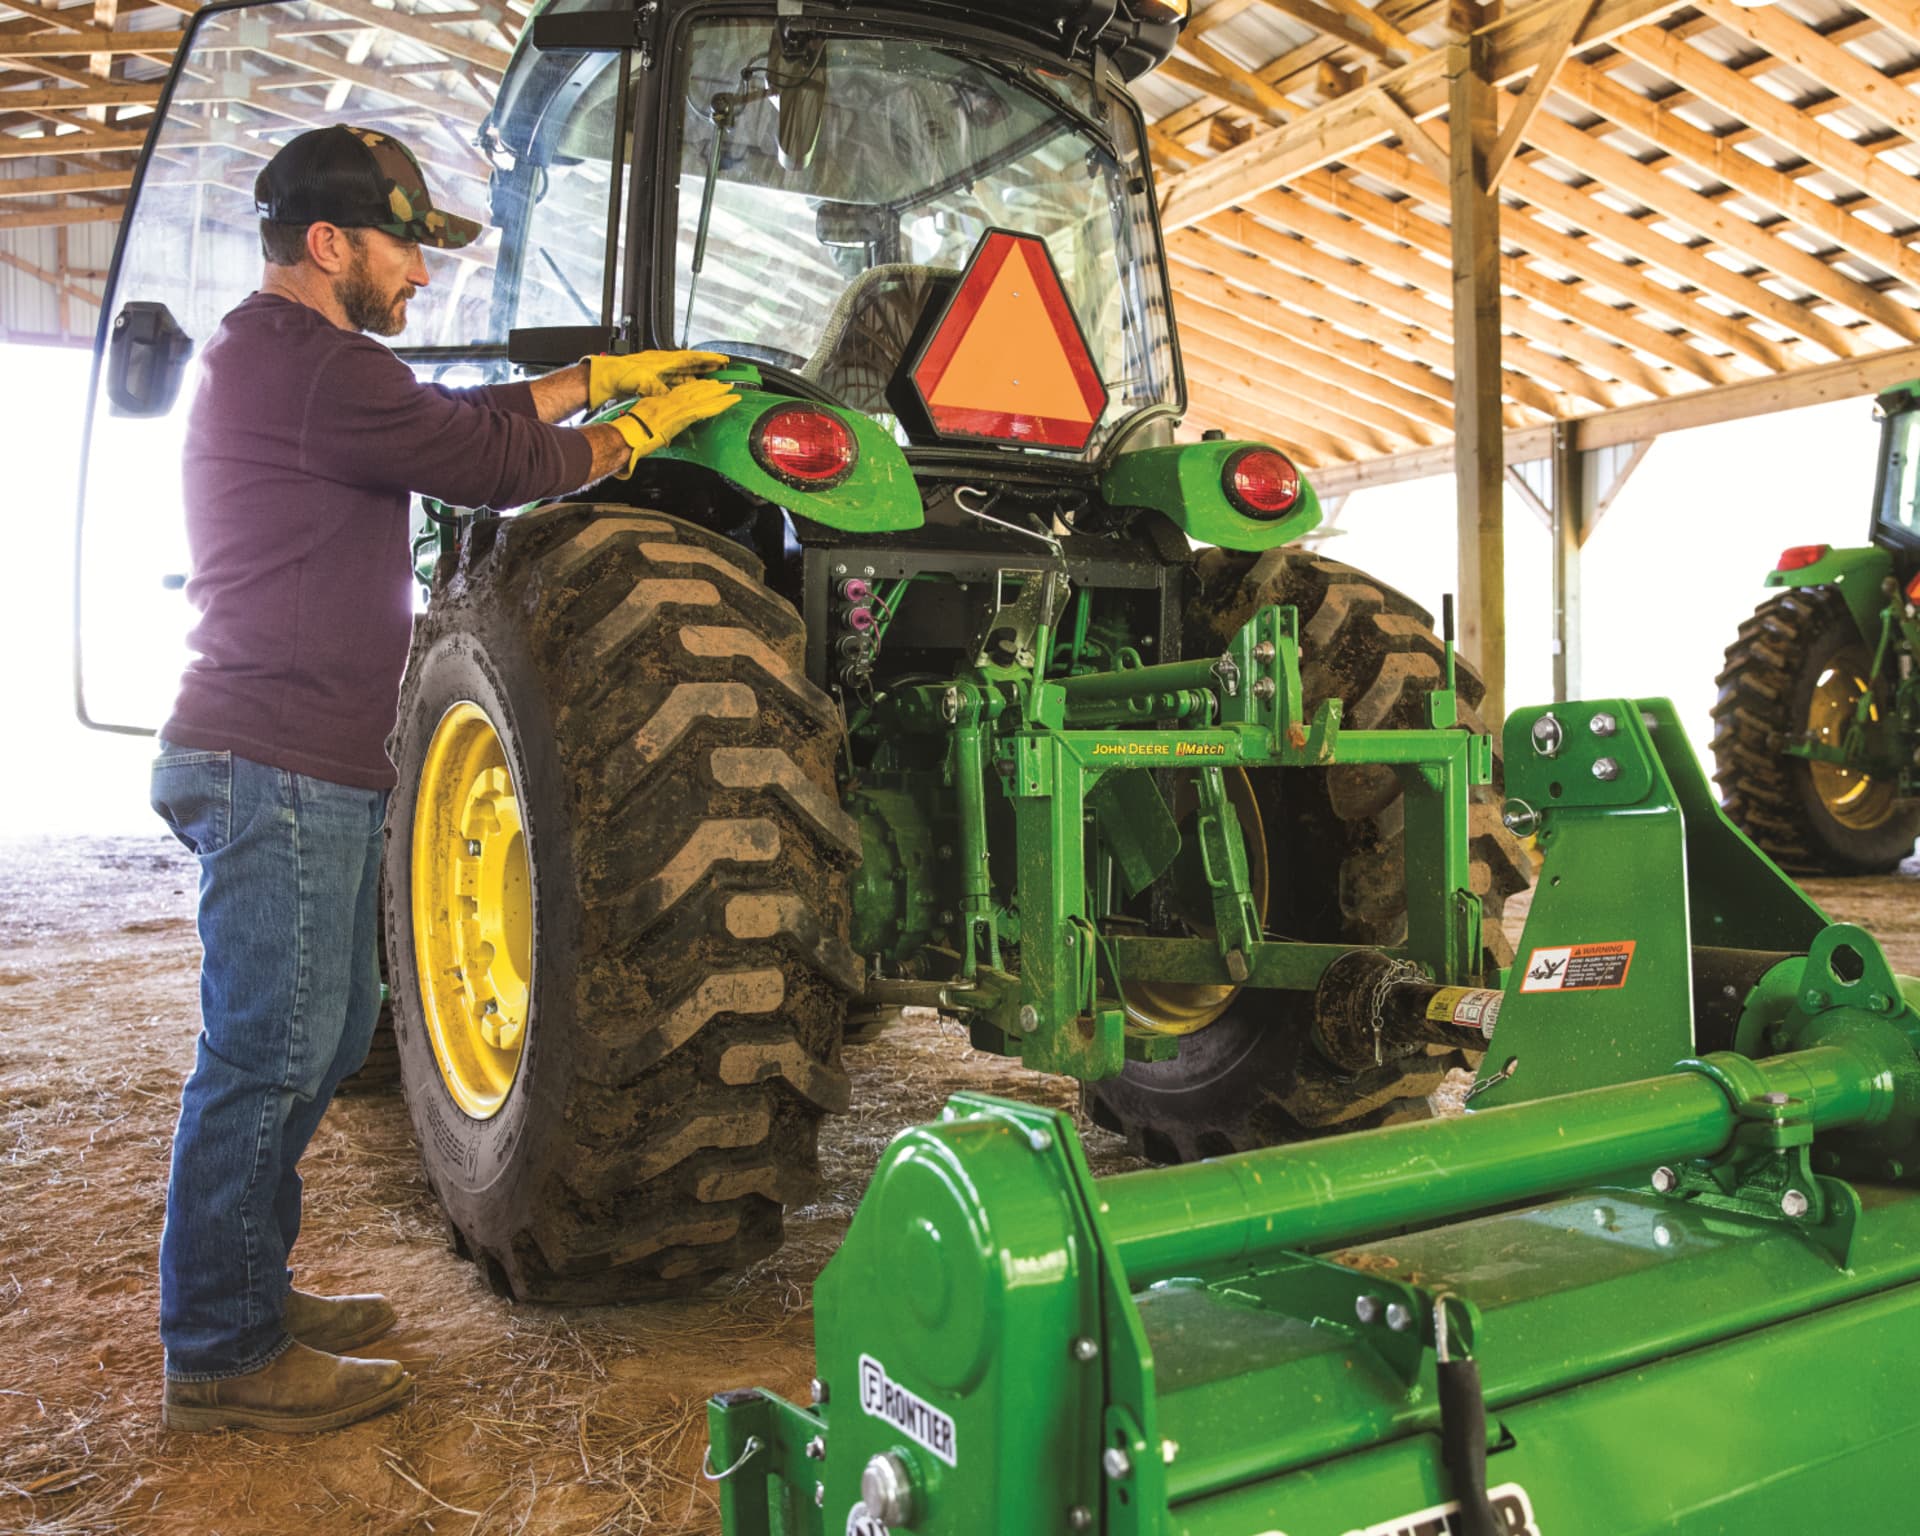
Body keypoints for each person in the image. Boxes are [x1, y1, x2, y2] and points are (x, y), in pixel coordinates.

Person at [150, 123, 738, 1433]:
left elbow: (455, 417)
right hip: (274, 763)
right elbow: (490, 462)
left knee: (300, 1050)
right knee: (268, 1056)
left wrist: (588, 378)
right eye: (403, 245)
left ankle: (242, 1290)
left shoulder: (305, 367)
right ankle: (224, 1350)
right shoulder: (306, 365)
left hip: (294, 760)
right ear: (328, 241)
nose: (419, 274)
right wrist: (631, 429)